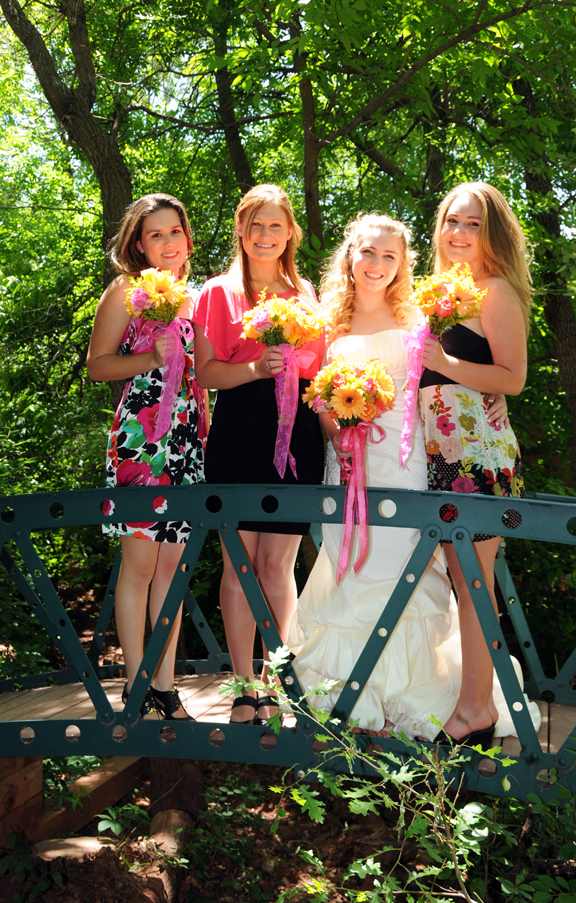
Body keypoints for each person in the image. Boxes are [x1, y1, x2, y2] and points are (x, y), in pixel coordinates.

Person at [288, 213, 462, 740]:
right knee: (352, 566)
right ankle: (354, 697)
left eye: (390, 256)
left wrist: (495, 398)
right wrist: (338, 434)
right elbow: (318, 395)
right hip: (349, 459)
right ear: (350, 255)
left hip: (404, 459)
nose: (377, 264)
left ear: (402, 264)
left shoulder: (416, 318)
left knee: (405, 564)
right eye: (368, 252)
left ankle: (404, 696)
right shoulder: (327, 323)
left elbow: (446, 381)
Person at [192, 184, 325, 726]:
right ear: (241, 232)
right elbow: (205, 373)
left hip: (297, 433)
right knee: (239, 564)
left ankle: (275, 683)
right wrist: (255, 367)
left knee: (277, 565)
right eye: (255, 225)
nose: (265, 235)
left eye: (275, 225)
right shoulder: (216, 292)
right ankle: (244, 686)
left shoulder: (305, 292)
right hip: (240, 430)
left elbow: (321, 367)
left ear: (291, 232)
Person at [420, 181, 533, 745]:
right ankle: (476, 704)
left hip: (477, 453)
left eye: (472, 223)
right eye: (451, 221)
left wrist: (446, 361)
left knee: (473, 581)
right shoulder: (439, 292)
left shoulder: (496, 291)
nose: (459, 233)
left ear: (491, 233)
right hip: (438, 450)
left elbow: (514, 378)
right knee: (461, 579)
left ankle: (475, 710)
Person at [87, 193, 207, 720]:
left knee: (173, 569)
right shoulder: (126, 291)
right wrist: (147, 358)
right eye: (155, 234)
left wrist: (207, 432)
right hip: (141, 437)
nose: (167, 242)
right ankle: (136, 685)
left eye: (174, 231)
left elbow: (203, 375)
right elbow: (97, 365)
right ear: (139, 244)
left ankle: (165, 684)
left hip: (186, 439)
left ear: (187, 238)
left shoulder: (195, 298)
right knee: (139, 565)